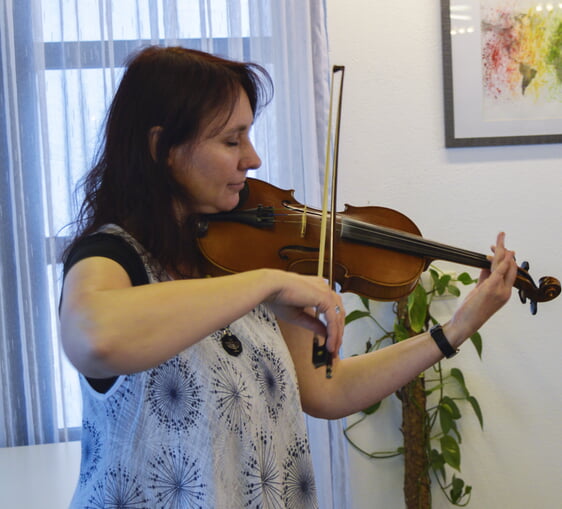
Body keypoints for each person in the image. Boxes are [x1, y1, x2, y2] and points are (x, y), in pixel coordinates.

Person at [59, 45, 517, 508]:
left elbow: (327, 385)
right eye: (232, 140)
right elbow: (94, 338)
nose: (253, 158)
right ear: (163, 149)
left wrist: (456, 329)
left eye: (249, 137)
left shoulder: (239, 254)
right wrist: (265, 283)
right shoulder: (111, 256)